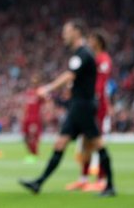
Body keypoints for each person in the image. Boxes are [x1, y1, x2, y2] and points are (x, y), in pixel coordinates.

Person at [18, 19, 116, 197]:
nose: (64, 34)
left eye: (67, 31)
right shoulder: (82, 53)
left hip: (84, 106)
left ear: (77, 32)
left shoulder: (83, 53)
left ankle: (109, 185)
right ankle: (39, 183)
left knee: (97, 142)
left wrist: (48, 88)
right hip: (77, 105)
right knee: (61, 143)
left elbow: (70, 75)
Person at [65, 28, 113, 192]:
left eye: (91, 38)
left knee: (95, 141)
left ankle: (101, 179)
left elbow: (101, 83)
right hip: (87, 102)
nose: (88, 42)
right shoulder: (91, 57)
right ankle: (83, 179)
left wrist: (95, 98)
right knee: (85, 142)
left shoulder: (103, 59)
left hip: (97, 104)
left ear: (98, 41)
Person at [21, 75, 45, 163]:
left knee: (33, 137)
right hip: (27, 118)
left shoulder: (40, 92)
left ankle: (34, 155)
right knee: (25, 137)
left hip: (35, 118)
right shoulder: (28, 92)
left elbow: (46, 102)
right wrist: (23, 116)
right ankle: (30, 153)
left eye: (35, 82)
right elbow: (25, 106)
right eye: (32, 82)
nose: (33, 83)